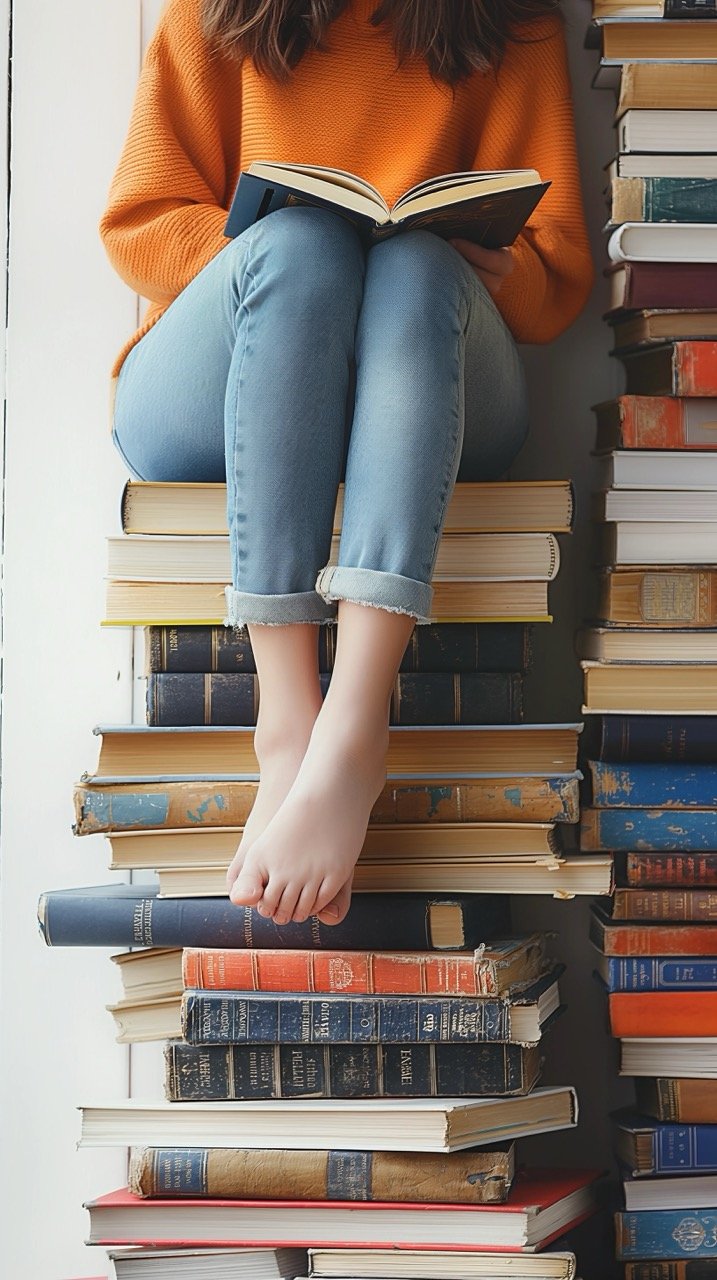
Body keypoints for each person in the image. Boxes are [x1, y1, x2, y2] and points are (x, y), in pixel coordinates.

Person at [102, 0, 593, 930]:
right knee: (304, 245)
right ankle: (287, 726)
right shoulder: (211, 11)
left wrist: (490, 267)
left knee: (410, 268)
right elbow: (139, 226)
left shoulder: (510, 20)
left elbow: (555, 269)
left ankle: (354, 725)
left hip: (430, 372)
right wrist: (288, 251)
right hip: (219, 381)